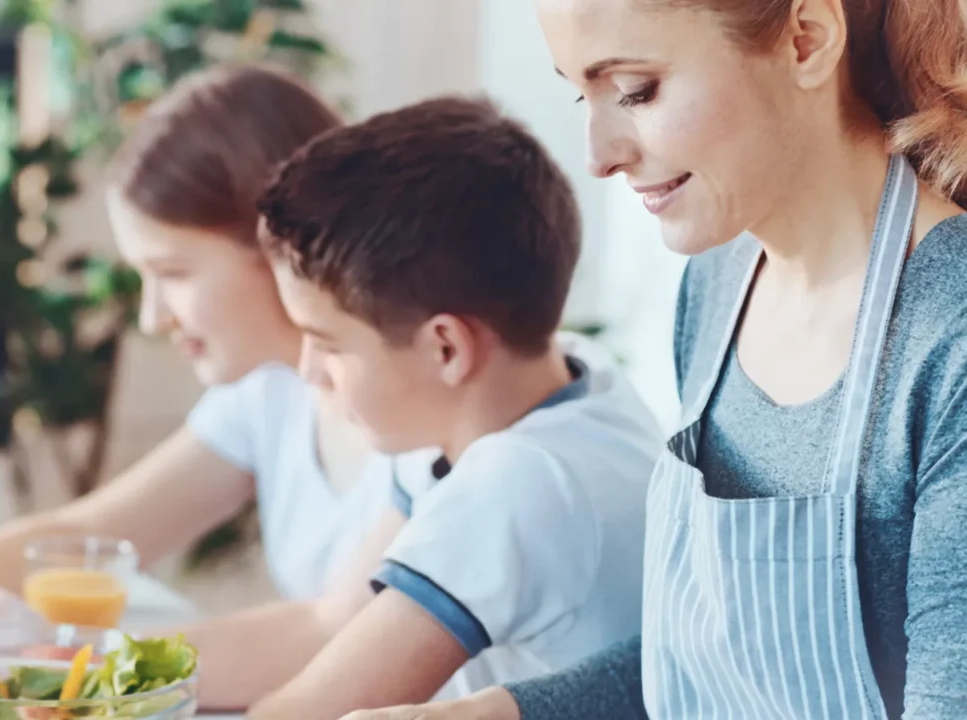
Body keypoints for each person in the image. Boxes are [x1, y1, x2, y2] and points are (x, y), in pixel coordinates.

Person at [343, 0, 967, 718]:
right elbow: (706, 670)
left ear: (807, 39)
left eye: (634, 91)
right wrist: (486, 713)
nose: (597, 155)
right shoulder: (719, 283)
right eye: (579, 92)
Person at [0, 64, 428, 710]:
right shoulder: (268, 397)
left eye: (173, 273)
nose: (153, 316)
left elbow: (327, 633)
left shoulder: (417, 418)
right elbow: (90, 535)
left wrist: (66, 660)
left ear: (278, 245)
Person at [239, 95, 662, 720]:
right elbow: (335, 625)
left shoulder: (519, 480)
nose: (308, 371)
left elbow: (309, 711)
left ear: (445, 347)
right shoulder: (572, 381)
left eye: (327, 344)